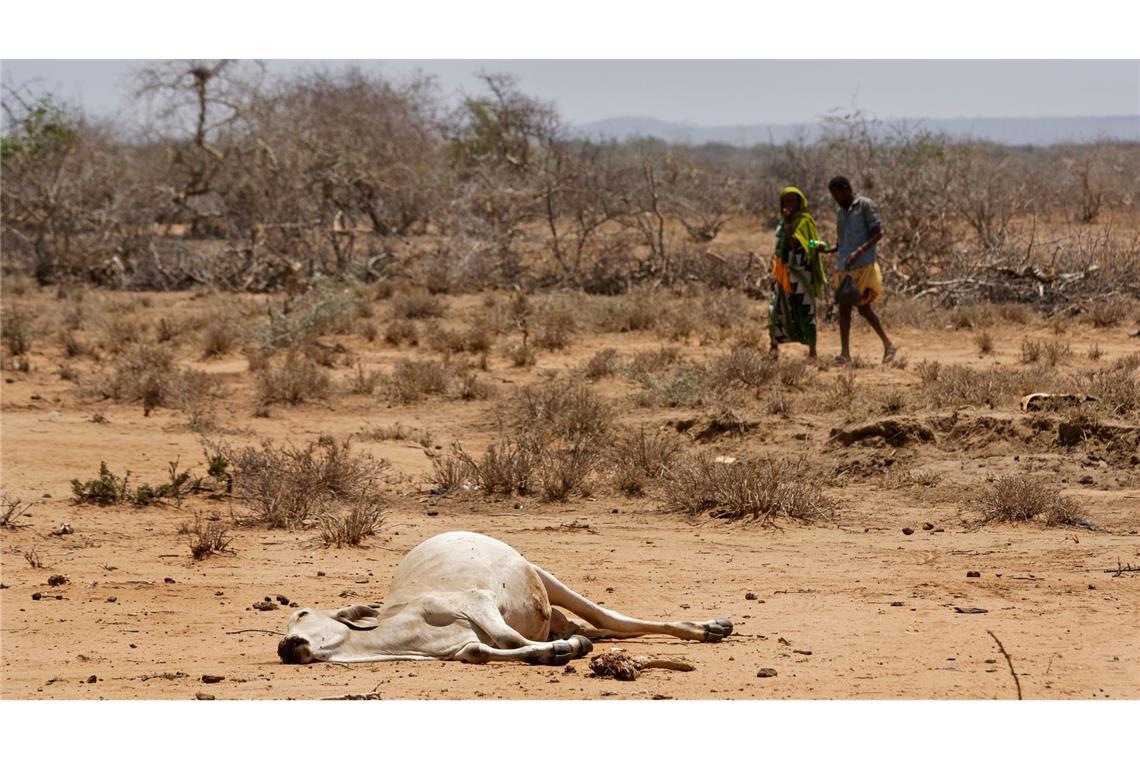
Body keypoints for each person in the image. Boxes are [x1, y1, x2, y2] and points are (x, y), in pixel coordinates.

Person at [820, 176, 897, 364]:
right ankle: (845, 353)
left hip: (863, 265)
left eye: (838, 194)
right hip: (844, 267)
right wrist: (827, 249)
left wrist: (859, 251)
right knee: (844, 308)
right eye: (833, 196)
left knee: (863, 308)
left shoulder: (864, 206)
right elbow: (841, 243)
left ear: (847, 189)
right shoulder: (841, 213)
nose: (836, 199)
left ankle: (888, 345)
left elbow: (877, 233)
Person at [768, 186, 827, 359]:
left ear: (800, 202)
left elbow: (800, 244)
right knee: (777, 309)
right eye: (786, 201)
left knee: (805, 309)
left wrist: (788, 225)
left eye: (793, 200)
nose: (789, 204)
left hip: (801, 273)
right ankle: (773, 348)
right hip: (784, 272)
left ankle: (812, 351)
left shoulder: (804, 221)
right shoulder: (782, 222)